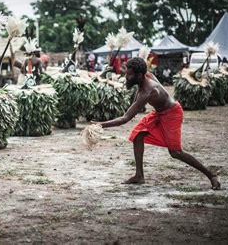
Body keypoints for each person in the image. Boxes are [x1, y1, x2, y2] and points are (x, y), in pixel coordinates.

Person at [93, 57, 221, 190]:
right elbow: (153, 90)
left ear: (139, 75)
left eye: (129, 74)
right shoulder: (146, 77)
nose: (126, 77)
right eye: (127, 73)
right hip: (159, 112)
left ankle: (211, 176)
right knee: (138, 135)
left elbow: (125, 118)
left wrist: (99, 125)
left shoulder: (148, 91)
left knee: (175, 152)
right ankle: (139, 176)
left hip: (172, 113)